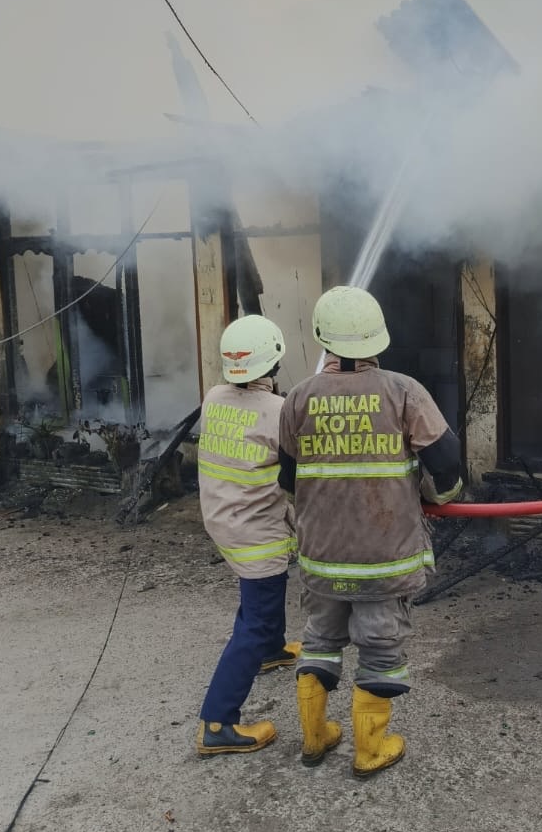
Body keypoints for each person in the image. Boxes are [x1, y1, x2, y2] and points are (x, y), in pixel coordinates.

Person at [277, 285, 463, 777]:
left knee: (319, 639)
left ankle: (316, 740)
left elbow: (288, 481)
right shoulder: (403, 391)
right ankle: (370, 749)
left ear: (323, 338)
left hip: (321, 558)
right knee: (380, 650)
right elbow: (447, 462)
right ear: (378, 338)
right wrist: (437, 496)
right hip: (385, 558)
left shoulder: (297, 398)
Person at [195, 315, 300, 757]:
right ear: (274, 361)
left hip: (223, 519)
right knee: (254, 620)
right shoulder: (279, 412)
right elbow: (295, 477)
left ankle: (272, 650)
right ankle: (218, 722)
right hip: (255, 530)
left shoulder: (214, 396)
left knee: (264, 594)